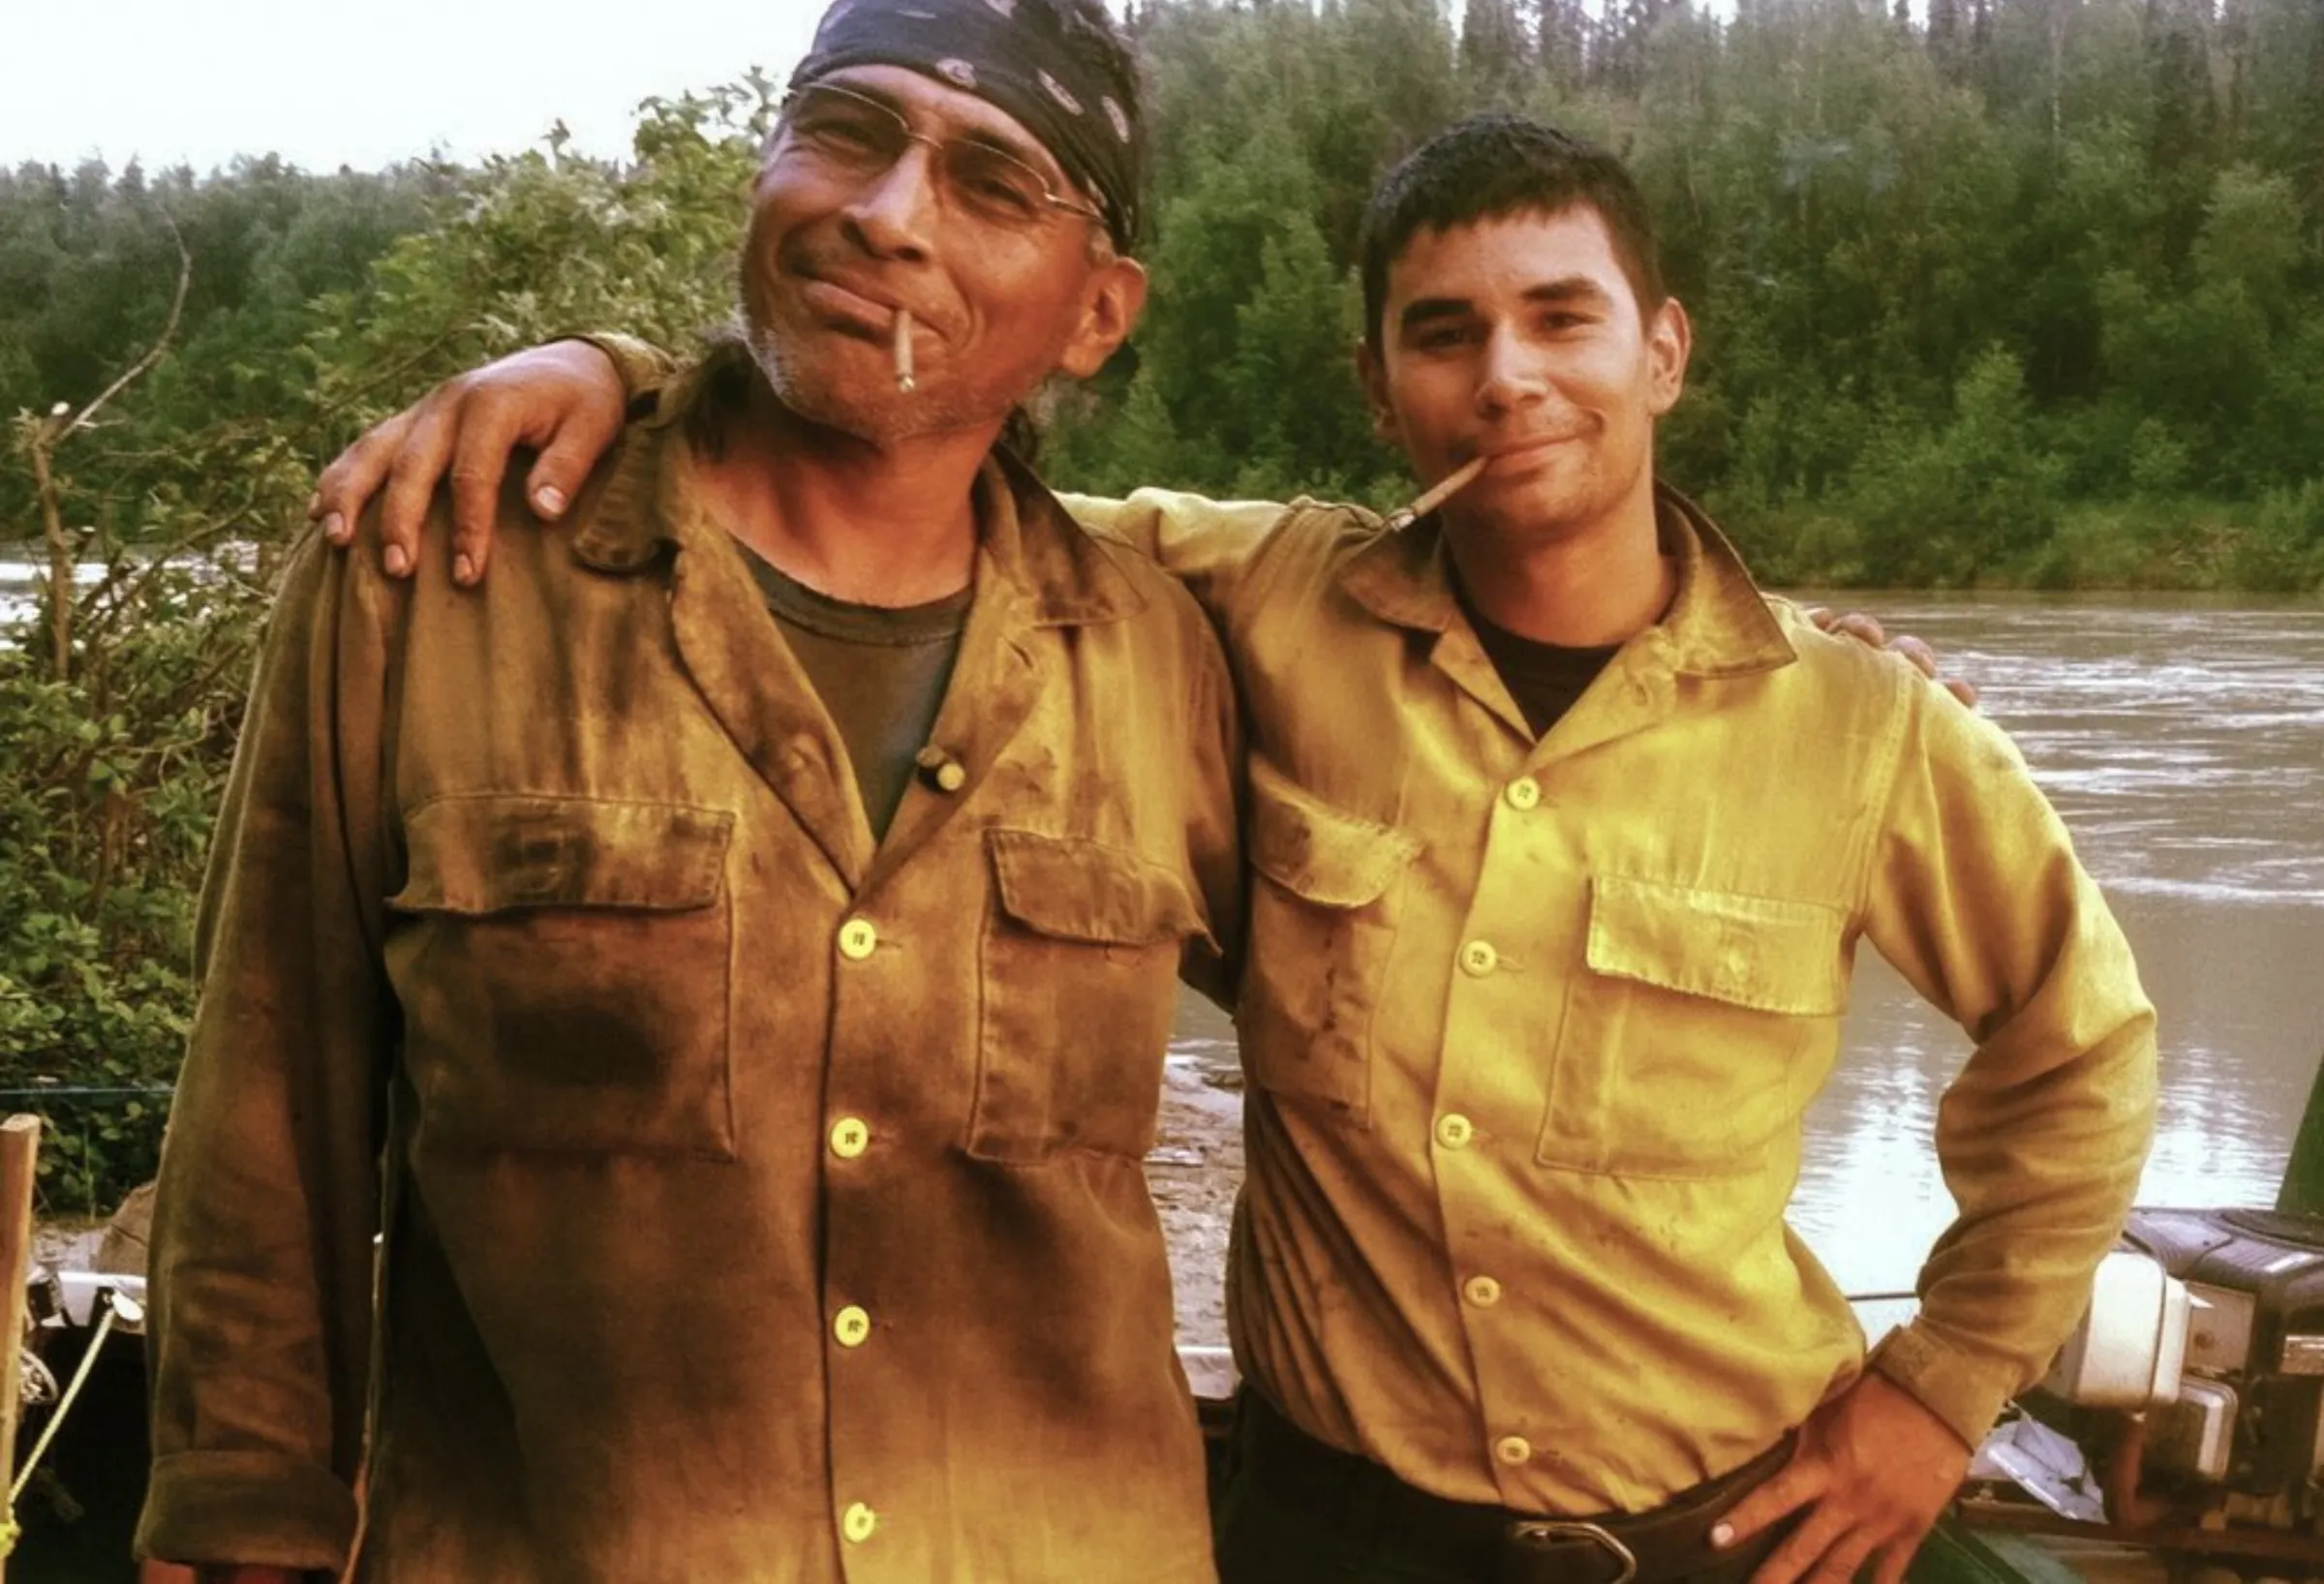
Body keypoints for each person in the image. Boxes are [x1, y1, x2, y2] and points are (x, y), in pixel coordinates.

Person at [314, 118, 2157, 1584]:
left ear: (1661, 349)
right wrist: (619, 377)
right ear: (1383, 392)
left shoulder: (1862, 726)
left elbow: (2083, 1054)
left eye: (1561, 318)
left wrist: (1938, 1393)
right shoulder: (1245, 603)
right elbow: (894, 466)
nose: (1507, 377)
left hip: (1737, 1536)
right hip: (1324, 1536)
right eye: (1446, 335)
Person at [138, 0, 1244, 1583]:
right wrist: (240, 1522)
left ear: (1097, 314)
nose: (889, 212)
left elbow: (1421, 1095)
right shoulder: (434, 570)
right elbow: (266, 1108)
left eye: (992, 180)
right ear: (764, 171)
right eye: (848, 132)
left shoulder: (1166, 663)